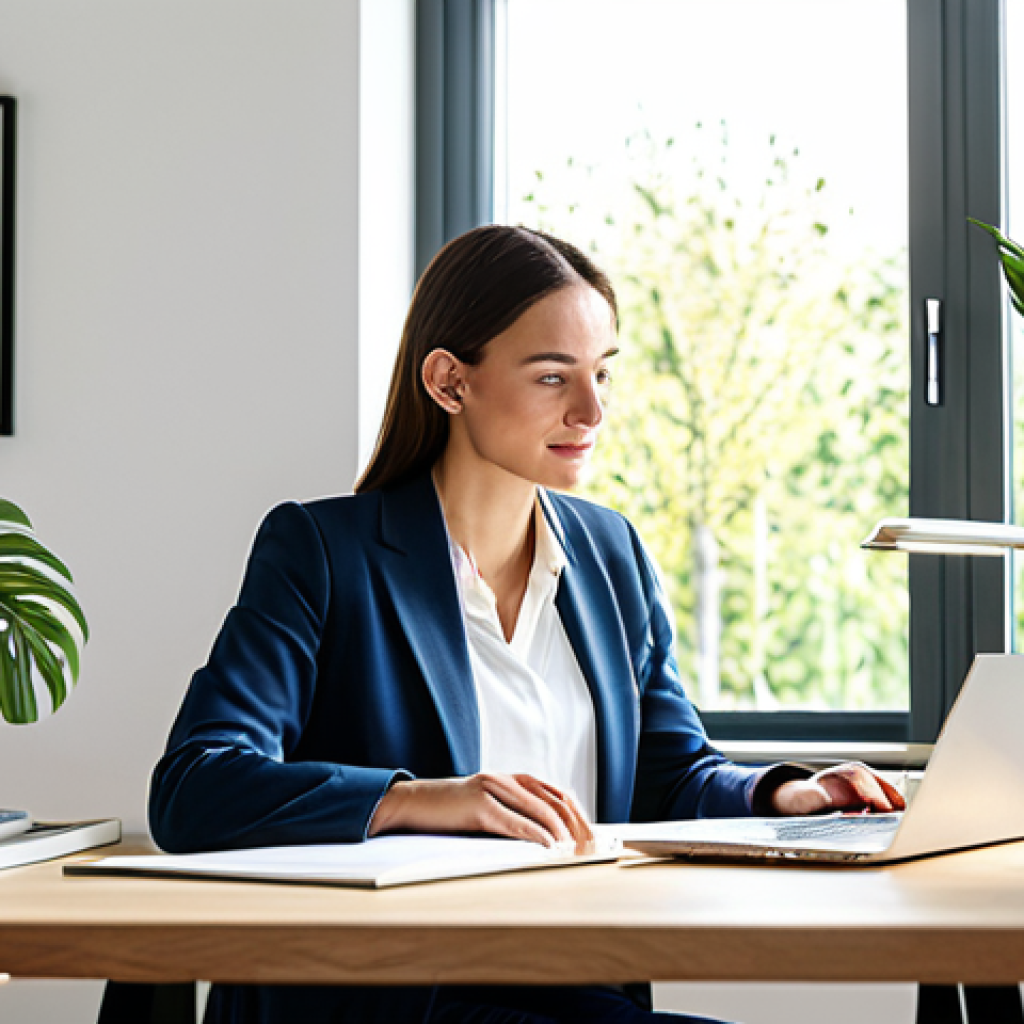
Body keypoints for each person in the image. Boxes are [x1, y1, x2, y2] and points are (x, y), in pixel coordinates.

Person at [149, 225, 905, 1024]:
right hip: (391, 997)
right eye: (553, 377)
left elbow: (669, 775)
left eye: (603, 375)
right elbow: (195, 788)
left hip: (575, 978)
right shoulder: (323, 551)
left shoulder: (609, 551)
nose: (592, 411)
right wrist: (419, 800)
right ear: (448, 382)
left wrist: (785, 795)